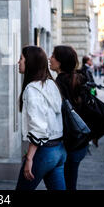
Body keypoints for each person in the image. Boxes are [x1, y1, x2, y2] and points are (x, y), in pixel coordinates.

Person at [15, 46, 67, 190]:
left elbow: (39, 127)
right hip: (59, 150)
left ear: (30, 62)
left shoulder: (32, 89)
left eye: (21, 59)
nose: (18, 62)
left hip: (44, 152)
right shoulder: (51, 84)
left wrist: (30, 158)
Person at [49, 45, 89, 190]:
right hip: (81, 141)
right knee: (70, 182)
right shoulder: (78, 79)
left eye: (53, 56)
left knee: (66, 184)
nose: (49, 58)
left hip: (68, 144)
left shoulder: (58, 85)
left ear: (60, 62)